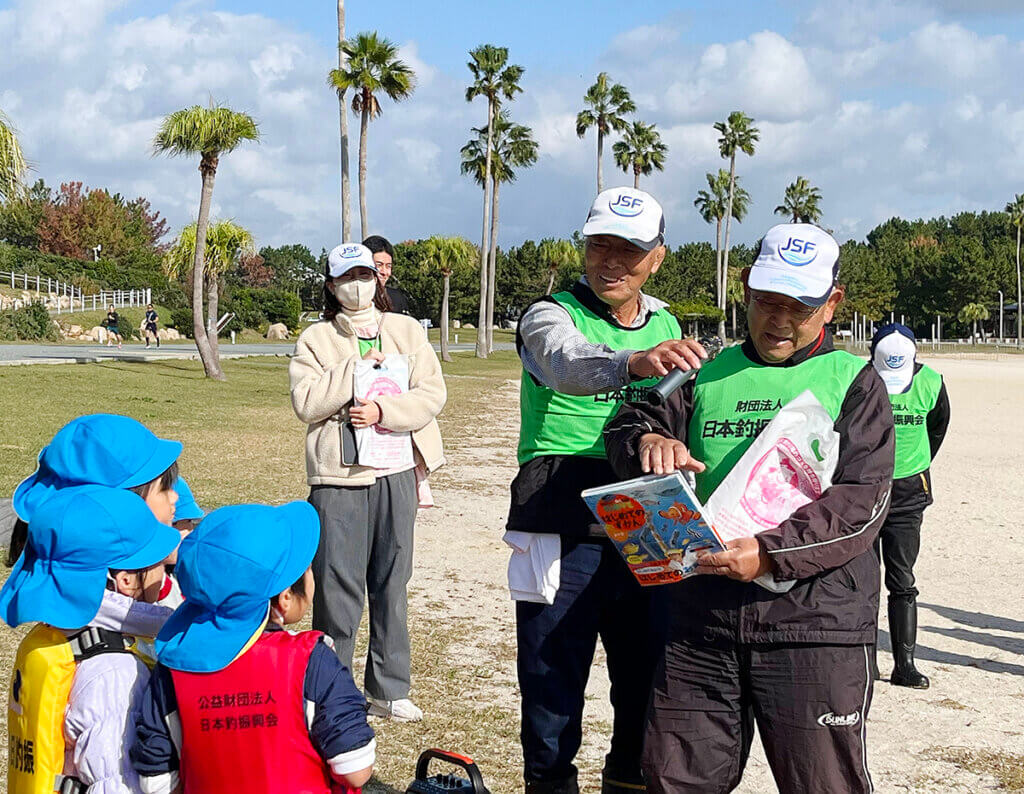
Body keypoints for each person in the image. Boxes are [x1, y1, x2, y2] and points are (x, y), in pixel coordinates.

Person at [605, 222, 895, 794]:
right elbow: (628, 421)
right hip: (699, 620)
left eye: (799, 306)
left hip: (814, 627)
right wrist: (646, 442)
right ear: (744, 287)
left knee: (823, 783)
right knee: (675, 780)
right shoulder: (701, 370)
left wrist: (769, 555)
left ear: (833, 303)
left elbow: (862, 501)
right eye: (766, 301)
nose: (778, 320)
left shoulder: (855, 383)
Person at [509, 186, 707, 794]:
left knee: (646, 684)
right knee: (551, 689)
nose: (611, 260)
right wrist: (632, 363)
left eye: (629, 249)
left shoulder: (670, 322)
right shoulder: (549, 314)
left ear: (659, 257)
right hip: (559, 514)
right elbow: (562, 362)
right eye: (599, 244)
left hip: (646, 514)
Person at [289, 242, 446, 722]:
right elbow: (306, 402)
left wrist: (383, 411)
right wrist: (354, 373)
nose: (358, 285)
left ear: (377, 280)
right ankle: (333, 688)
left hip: (396, 467)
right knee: (337, 583)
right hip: (339, 476)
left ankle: (390, 687)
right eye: (347, 278)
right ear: (332, 286)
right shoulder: (314, 340)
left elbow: (432, 393)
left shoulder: (405, 330)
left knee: (393, 577)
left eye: (365, 275)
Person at [131, 502, 375, 793]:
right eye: (306, 567)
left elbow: (155, 783)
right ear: (284, 596)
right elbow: (355, 768)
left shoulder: (171, 668)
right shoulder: (312, 660)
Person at [0, 484, 181, 794]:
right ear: (125, 580)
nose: (164, 567)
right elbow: (115, 783)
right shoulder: (115, 673)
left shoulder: (59, 635)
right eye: (155, 563)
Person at [869, 324, 950, 688]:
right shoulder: (861, 379)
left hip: (908, 493)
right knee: (863, 582)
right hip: (864, 490)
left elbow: (937, 427)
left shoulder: (932, 382)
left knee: (902, 580)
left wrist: (915, 463)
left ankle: (905, 664)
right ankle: (864, 663)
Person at [363, 234, 411, 315]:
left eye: (388, 266)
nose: (384, 272)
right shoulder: (351, 299)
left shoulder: (396, 298)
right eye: (379, 265)